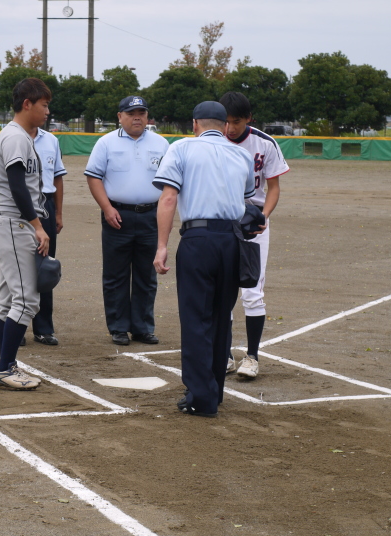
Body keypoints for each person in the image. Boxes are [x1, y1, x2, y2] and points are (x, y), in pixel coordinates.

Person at [153, 101, 256, 417]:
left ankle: (201, 397)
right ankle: (214, 391)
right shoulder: (241, 154)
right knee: (221, 318)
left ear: (195, 124)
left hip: (198, 240)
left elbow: (169, 198)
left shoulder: (181, 148)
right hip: (232, 242)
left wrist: (161, 245)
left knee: (196, 318)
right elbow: (246, 200)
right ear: (225, 127)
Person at [85, 96, 169, 346]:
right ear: (120, 116)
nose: (137, 118)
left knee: (147, 275)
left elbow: (171, 182)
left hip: (151, 216)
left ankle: (142, 328)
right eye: (131, 113)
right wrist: (107, 208)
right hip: (117, 216)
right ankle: (119, 327)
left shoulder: (161, 143)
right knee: (116, 275)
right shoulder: (106, 142)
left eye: (141, 113)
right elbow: (94, 177)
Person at [220, 92, 290, 379]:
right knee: (223, 289)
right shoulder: (212, 141)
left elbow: (273, 188)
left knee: (252, 291)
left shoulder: (264, 143)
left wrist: (264, 217)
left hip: (254, 222)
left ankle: (252, 357)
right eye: (226, 121)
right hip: (222, 220)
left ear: (249, 118)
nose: (230, 128)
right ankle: (224, 354)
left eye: (236, 121)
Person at [0, 78, 52, 390]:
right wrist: (37, 226)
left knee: (7, 301)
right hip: (15, 224)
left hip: (11, 224)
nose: (47, 111)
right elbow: (17, 187)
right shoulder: (15, 137)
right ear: (27, 104)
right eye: (43, 105)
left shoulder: (18, 136)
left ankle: (8, 364)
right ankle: (4, 369)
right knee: (26, 301)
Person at [30, 126, 66, 345]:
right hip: (18, 203)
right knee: (15, 267)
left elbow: (57, 178)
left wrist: (58, 213)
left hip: (46, 205)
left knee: (45, 266)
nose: (46, 111)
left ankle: (43, 328)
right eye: (43, 108)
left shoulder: (51, 140)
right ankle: (14, 324)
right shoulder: (8, 138)